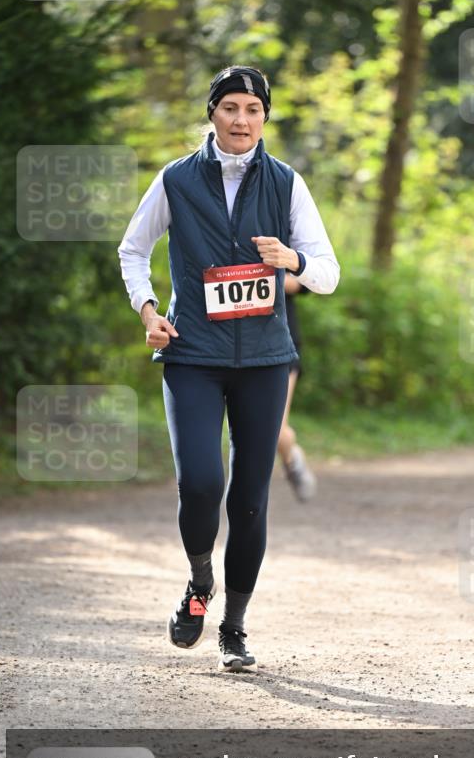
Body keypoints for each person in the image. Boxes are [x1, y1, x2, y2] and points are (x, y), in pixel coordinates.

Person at [118, 65, 340, 670]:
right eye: (230, 108)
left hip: (265, 362)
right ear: (212, 113)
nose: (241, 120)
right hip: (192, 355)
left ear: (265, 118)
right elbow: (133, 249)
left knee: (248, 500)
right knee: (201, 483)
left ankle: (234, 628)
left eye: (253, 110)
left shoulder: (288, 183)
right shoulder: (176, 179)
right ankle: (198, 585)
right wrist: (147, 311)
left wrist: (292, 259)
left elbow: (327, 272)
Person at [277, 275, 317, 501]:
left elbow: (305, 283)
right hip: (225, 344)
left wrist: (260, 275)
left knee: (274, 427)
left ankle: (292, 459)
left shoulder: (285, 238)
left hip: (282, 343)